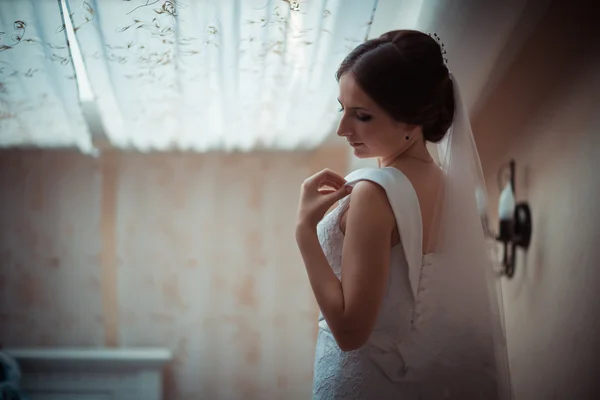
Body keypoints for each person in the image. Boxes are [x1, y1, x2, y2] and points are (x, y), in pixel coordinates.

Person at [295, 30, 512, 399]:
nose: (342, 129)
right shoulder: (453, 192)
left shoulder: (374, 193)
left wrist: (304, 232)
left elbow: (350, 333)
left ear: (411, 121)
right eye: (342, 109)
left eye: (362, 116)